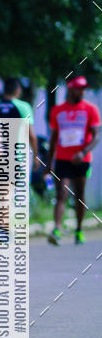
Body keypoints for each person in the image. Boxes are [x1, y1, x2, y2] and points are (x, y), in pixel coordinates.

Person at [45, 76, 100, 245]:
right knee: (61, 193)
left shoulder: (90, 109)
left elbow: (97, 136)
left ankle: (79, 229)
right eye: (79, 88)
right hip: (63, 159)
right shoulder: (57, 111)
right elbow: (53, 139)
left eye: (84, 89)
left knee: (80, 195)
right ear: (71, 89)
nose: (82, 92)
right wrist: (49, 163)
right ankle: (57, 229)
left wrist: (83, 152)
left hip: (82, 159)